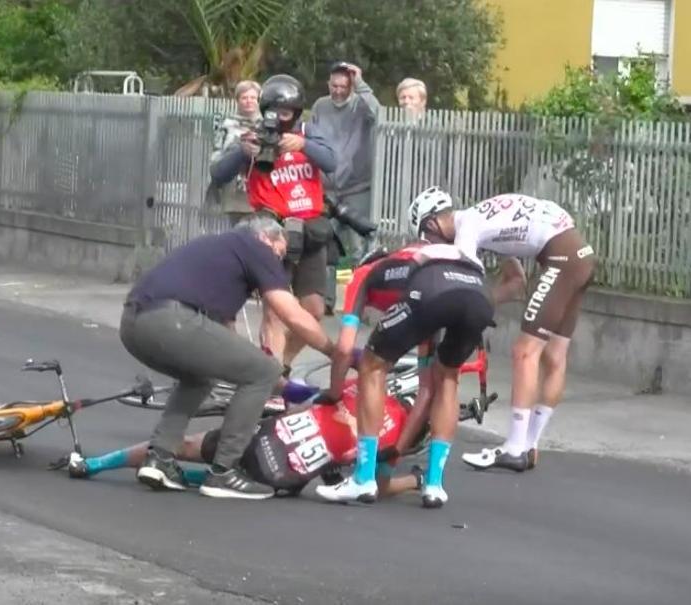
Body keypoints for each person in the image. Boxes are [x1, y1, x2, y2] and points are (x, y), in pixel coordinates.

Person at [122, 216, 346, 500]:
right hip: (171, 319)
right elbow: (291, 314)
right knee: (262, 371)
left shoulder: (219, 255)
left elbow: (229, 352)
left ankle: (159, 458)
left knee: (200, 378)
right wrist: (336, 352)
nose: (279, 261)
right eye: (280, 251)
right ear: (267, 238)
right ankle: (224, 471)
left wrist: (282, 386)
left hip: (134, 323)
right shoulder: (255, 246)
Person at [407, 187, 596, 472]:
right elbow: (516, 281)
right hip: (579, 253)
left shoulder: (467, 228)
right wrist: (486, 303)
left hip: (561, 257)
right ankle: (529, 446)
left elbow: (462, 281)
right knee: (555, 357)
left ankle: (514, 448)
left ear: (433, 223)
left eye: (426, 235)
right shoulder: (484, 220)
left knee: (524, 352)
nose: (430, 242)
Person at [316, 243, 495, 508]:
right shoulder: (415, 260)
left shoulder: (364, 275)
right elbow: (426, 390)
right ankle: (434, 485)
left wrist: (333, 393)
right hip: (479, 296)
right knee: (447, 379)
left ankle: (363, 479)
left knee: (371, 366)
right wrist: (394, 457)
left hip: (430, 293)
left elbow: (343, 349)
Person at [63, 376, 426, 499]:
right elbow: (377, 486)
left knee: (181, 447)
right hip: (281, 474)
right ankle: (181, 476)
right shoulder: (393, 445)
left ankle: (94, 464)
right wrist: (414, 481)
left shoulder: (364, 387)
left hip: (265, 437)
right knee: (206, 471)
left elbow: (312, 404)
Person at [210, 74, 336, 376]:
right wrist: (244, 151)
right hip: (273, 230)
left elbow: (332, 162)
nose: (281, 120)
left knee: (314, 310)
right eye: (275, 112)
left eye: (287, 113)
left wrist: (303, 145)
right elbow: (219, 173)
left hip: (309, 228)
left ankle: (284, 365)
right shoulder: (253, 135)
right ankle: (271, 374)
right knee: (275, 311)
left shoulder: (308, 133)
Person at [311, 62, 381, 314]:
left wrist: (361, 83)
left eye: (344, 86)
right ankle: (329, 300)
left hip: (357, 187)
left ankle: (353, 301)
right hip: (327, 187)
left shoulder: (360, 104)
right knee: (329, 245)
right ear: (328, 84)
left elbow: (377, 113)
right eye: (334, 86)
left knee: (355, 248)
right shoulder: (320, 106)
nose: (338, 91)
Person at [207, 80, 262, 226]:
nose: (248, 102)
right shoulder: (226, 125)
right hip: (235, 191)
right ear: (237, 100)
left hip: (261, 188)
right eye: (244, 98)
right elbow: (216, 159)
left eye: (252, 98)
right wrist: (239, 150)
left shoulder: (266, 126)